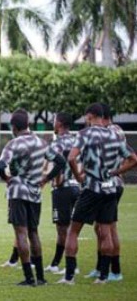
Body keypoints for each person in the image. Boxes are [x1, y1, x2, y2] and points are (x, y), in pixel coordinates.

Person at [59, 103, 137, 285]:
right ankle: (103, 276)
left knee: (73, 230)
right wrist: (116, 172)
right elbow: (133, 159)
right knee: (106, 231)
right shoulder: (115, 135)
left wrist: (78, 176)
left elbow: (71, 157)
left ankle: (69, 277)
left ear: (89, 116)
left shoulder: (85, 134)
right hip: (110, 188)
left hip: (91, 188)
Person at [0, 109, 66, 286]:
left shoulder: (13, 144)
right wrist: (45, 179)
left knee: (21, 233)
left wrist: (7, 179)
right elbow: (61, 162)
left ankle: (29, 277)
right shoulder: (41, 142)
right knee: (34, 233)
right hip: (35, 193)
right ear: (27, 124)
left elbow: (0, 165)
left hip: (18, 192)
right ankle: (41, 277)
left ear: (14, 127)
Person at [44, 112, 80, 275]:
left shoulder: (57, 143)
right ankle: (55, 264)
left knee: (63, 229)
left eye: (54, 120)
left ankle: (72, 266)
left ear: (59, 123)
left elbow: (59, 163)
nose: (53, 122)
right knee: (67, 229)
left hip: (62, 189)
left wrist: (51, 179)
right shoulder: (77, 140)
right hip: (76, 187)